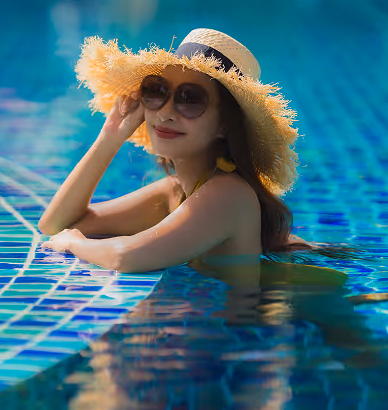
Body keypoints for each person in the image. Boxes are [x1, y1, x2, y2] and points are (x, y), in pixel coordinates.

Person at [39, 28, 310, 275]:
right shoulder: (176, 191)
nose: (165, 112)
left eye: (190, 99)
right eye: (157, 91)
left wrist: (75, 244)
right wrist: (109, 138)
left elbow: (128, 257)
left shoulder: (229, 193)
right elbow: (56, 224)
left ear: (225, 125)